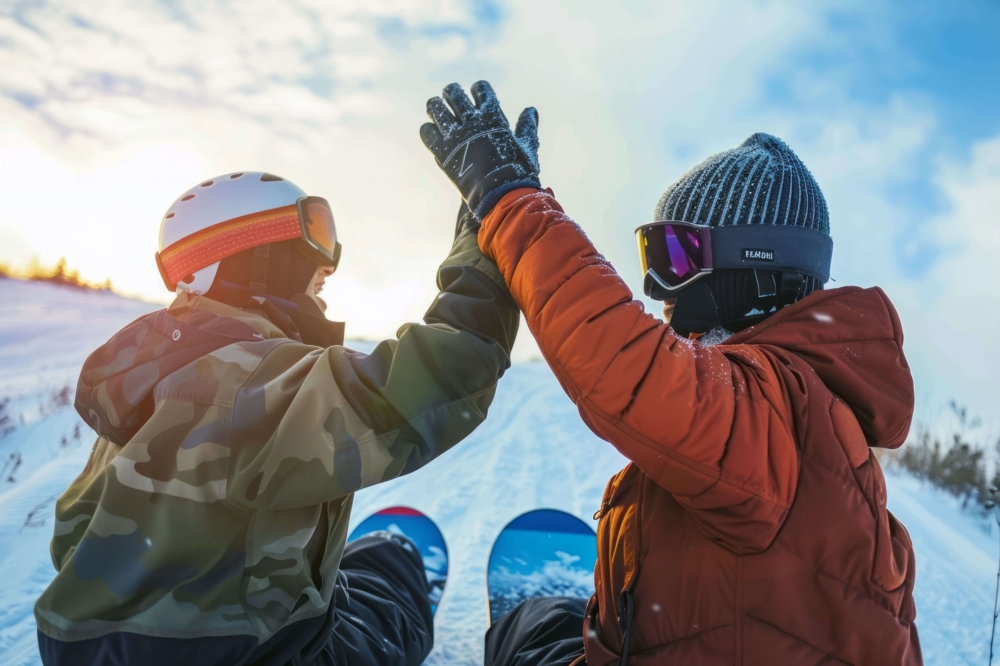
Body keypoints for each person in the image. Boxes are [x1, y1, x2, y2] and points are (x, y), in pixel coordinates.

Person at [420, 82, 922, 665]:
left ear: (754, 264)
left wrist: (510, 201)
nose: (656, 287)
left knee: (526, 639)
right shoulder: (803, 406)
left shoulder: (785, 412)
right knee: (546, 626)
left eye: (675, 256)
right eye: (651, 255)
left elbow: (623, 364)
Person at [34, 172, 519, 665]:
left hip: (100, 648)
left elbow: (73, 534)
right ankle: (421, 587)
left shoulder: (156, 373)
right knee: (386, 604)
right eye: (316, 236)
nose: (328, 266)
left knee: (351, 580)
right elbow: (443, 375)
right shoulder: (244, 382)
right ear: (252, 253)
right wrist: (488, 237)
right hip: (250, 656)